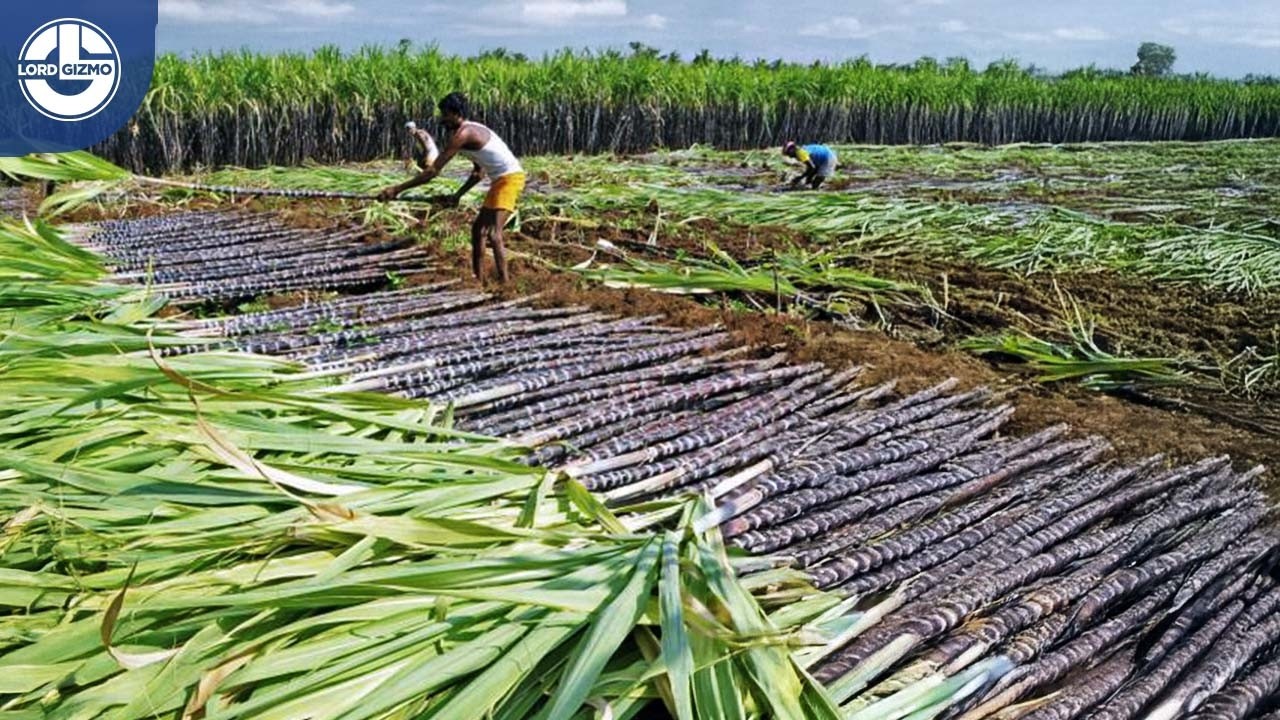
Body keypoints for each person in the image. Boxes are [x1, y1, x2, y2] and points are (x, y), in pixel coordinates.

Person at [380, 93, 526, 284]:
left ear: (456, 113)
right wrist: (457, 195)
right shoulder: (467, 132)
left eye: (445, 114)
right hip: (499, 180)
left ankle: (505, 285)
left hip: (510, 179)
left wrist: (397, 189)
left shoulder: (463, 134)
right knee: (477, 231)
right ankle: (479, 280)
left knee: (493, 233)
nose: (442, 119)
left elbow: (433, 171)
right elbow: (478, 173)